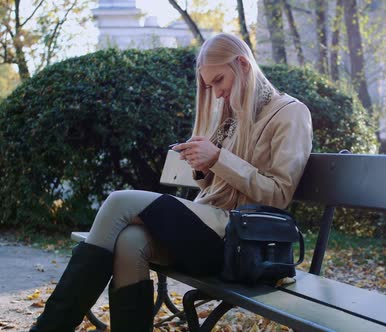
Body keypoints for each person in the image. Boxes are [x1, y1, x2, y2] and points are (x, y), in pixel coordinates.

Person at [30, 33, 313, 332]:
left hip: (241, 245)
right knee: (130, 242)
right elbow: (218, 189)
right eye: (209, 85)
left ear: (243, 64)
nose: (216, 93)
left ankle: (48, 328)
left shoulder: (291, 113)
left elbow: (279, 196)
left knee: (118, 202)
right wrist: (204, 165)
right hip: (212, 232)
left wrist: (217, 158)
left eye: (219, 80)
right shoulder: (235, 116)